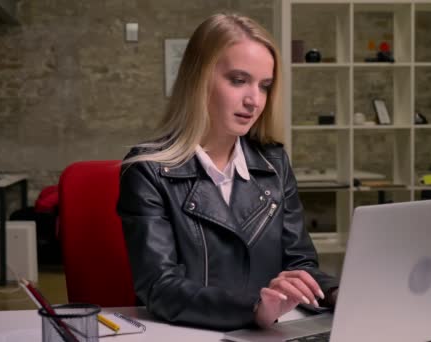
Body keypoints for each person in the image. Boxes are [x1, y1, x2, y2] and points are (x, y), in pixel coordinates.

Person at [117, 12, 338, 331]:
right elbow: (160, 287)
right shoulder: (148, 171)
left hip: (272, 334)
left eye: (264, 86)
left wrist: (335, 292)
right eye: (238, 80)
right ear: (199, 79)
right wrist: (256, 308)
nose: (254, 101)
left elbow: (299, 265)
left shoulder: (274, 163)